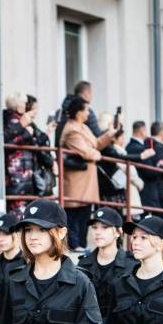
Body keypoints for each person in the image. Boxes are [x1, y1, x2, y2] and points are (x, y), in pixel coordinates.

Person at [59, 94, 115, 252]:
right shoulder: (71, 130)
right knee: (74, 213)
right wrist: (97, 155)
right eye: (86, 110)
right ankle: (74, 245)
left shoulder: (83, 127)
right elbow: (86, 152)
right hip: (76, 180)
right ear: (78, 112)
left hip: (86, 181)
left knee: (84, 213)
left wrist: (110, 134)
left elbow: (96, 144)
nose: (89, 113)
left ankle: (81, 245)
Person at [137, 122, 163, 216]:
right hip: (161, 190)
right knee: (161, 219)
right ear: (162, 132)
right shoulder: (158, 147)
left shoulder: (148, 145)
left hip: (153, 190)